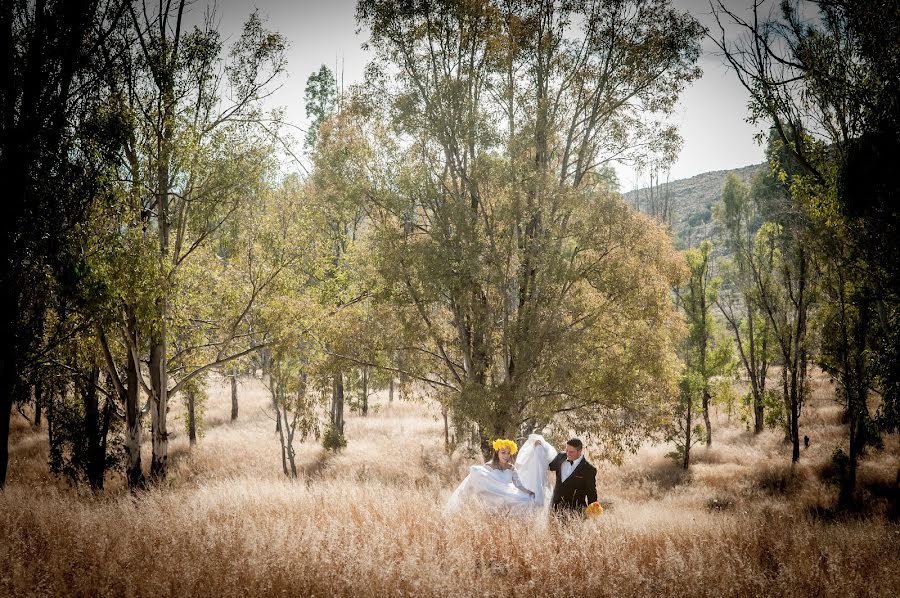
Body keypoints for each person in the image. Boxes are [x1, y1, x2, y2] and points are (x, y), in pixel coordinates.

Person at [445, 437, 554, 514]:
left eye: (508, 453)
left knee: (527, 501)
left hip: (506, 498)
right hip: (492, 500)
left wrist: (530, 491)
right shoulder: (488, 467)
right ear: (497, 453)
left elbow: (519, 485)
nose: (506, 456)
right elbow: (480, 482)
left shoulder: (511, 468)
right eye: (503, 452)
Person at [547, 437, 597, 514]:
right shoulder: (560, 457)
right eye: (566, 450)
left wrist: (593, 512)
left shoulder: (589, 469)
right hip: (554, 509)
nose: (568, 454)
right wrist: (540, 447)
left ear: (580, 451)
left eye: (571, 452)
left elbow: (591, 493)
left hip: (575, 513)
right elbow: (548, 466)